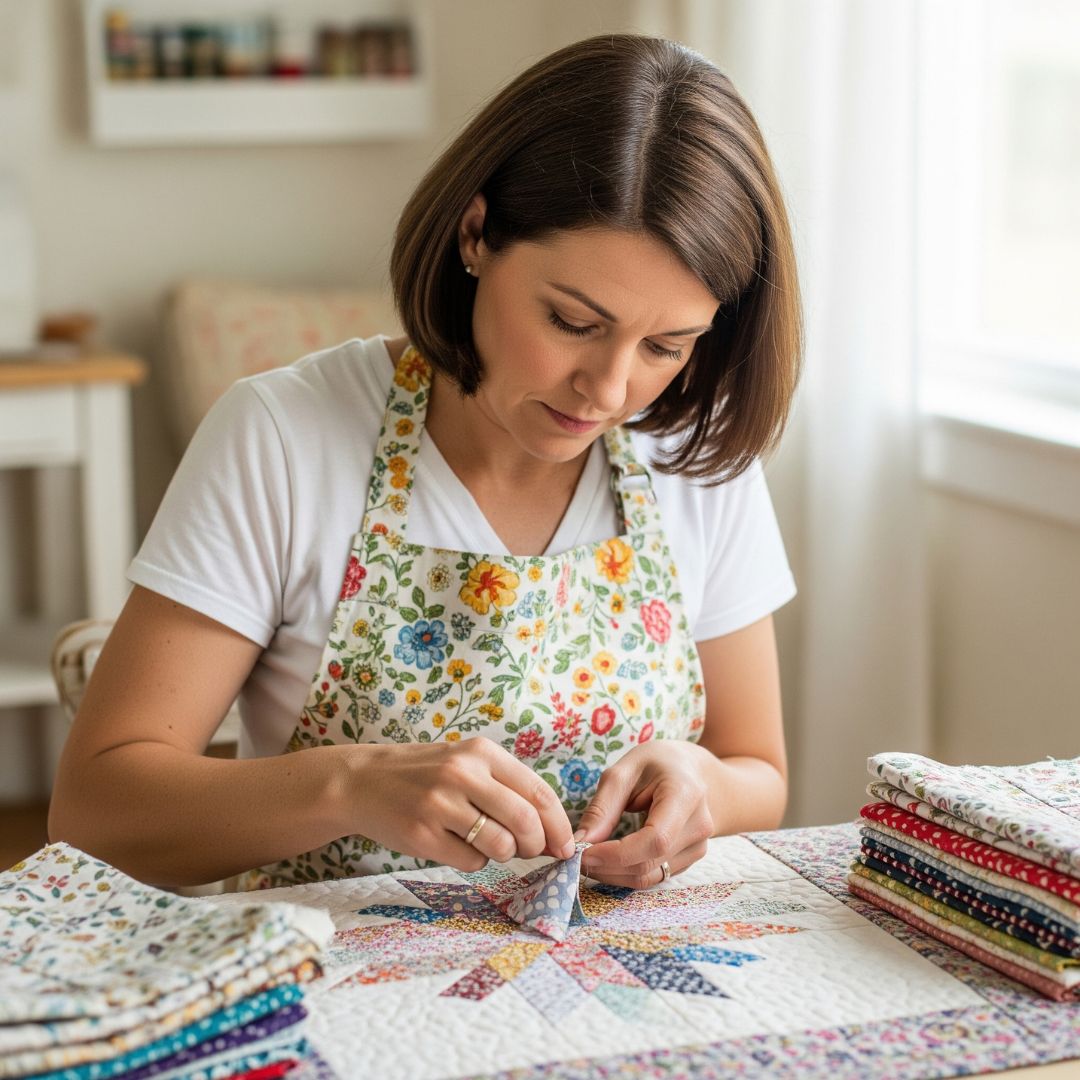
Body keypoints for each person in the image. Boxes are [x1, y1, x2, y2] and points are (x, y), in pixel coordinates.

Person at [49, 33, 801, 892]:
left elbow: (758, 769)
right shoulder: (285, 437)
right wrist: (350, 786)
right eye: (572, 322)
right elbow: (95, 814)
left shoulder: (691, 452)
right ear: (475, 234)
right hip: (334, 988)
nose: (609, 387)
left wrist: (701, 783)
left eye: (667, 345)